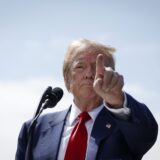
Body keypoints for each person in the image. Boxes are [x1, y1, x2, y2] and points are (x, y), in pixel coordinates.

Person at [16, 39, 158, 160]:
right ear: (66, 79)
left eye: (98, 68)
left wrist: (118, 100)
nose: (89, 74)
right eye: (80, 66)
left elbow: (147, 134)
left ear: (112, 76)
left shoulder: (126, 125)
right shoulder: (34, 128)